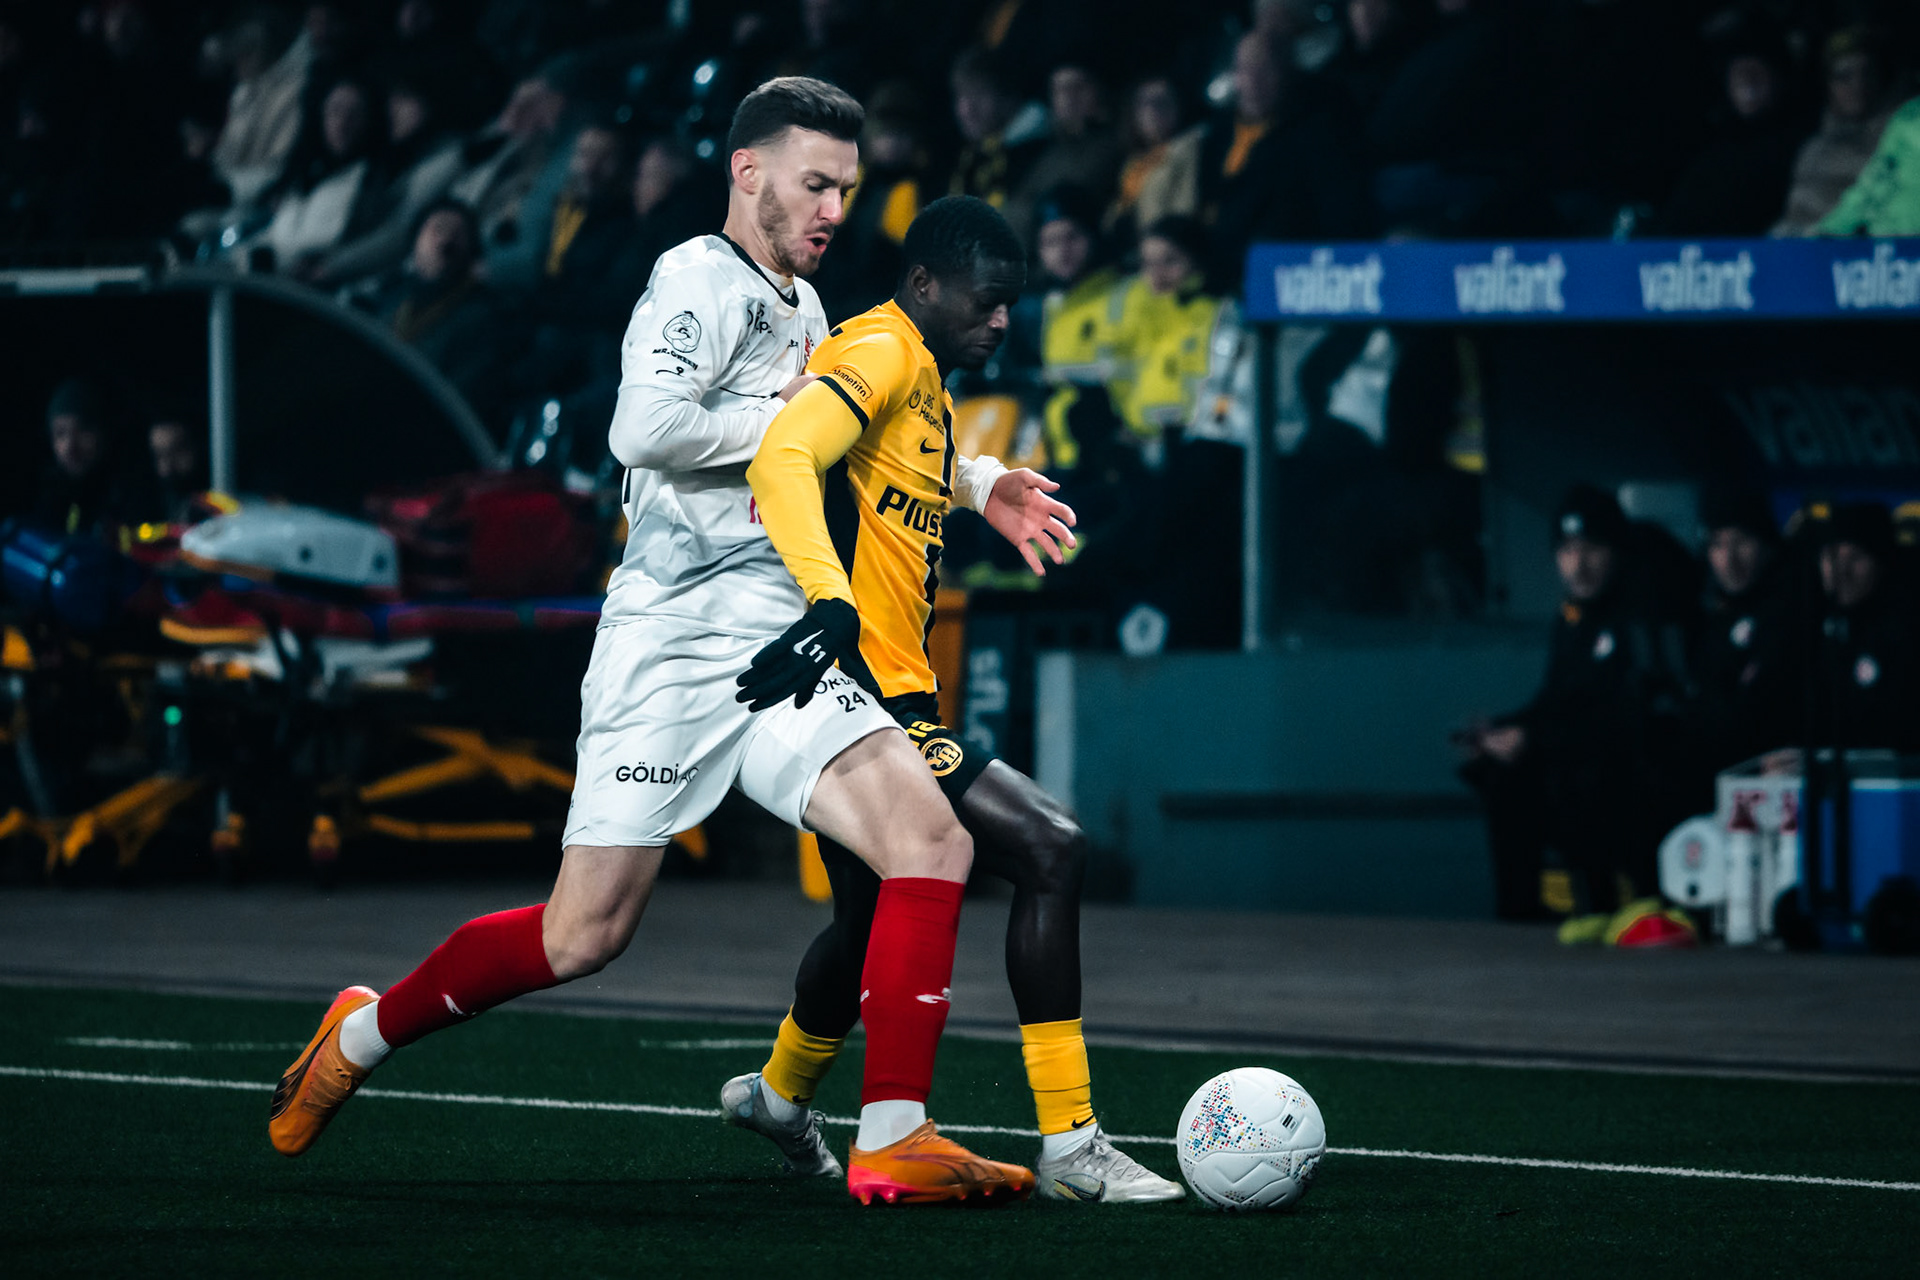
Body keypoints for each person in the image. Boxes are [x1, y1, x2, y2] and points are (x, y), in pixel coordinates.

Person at [267, 79, 1035, 1206]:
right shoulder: (694, 277)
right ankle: (360, 1034)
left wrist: (977, 481)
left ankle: (895, 1135)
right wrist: (783, 421)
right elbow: (643, 425)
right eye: (815, 184)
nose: (833, 209)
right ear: (748, 172)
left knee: (929, 841)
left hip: (777, 638)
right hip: (667, 644)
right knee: (582, 937)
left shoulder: (811, 310)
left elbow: (860, 436)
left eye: (845, 189)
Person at [726, 195, 1183, 1204]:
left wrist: (979, 487)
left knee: (866, 922)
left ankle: (779, 1092)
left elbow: (890, 461)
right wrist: (829, 601)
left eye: (1013, 304)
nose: (1003, 320)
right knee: (1050, 846)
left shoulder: (922, 377)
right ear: (925, 284)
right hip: (864, 698)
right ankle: (1072, 1143)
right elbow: (790, 450)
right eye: (988, 300)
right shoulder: (882, 350)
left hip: (884, 695)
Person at [1458, 487, 1697, 932]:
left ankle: (1610, 906)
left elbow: (1631, 714)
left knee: (1576, 773)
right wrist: (1504, 729)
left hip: (1632, 776)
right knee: (1500, 774)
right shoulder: (1574, 617)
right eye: (1567, 551)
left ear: (1617, 551)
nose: (1578, 565)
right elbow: (1555, 699)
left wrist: (1534, 738)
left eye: (1591, 550)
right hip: (1574, 761)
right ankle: (1518, 919)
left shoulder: (1644, 613)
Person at [1773, 26, 1899, 236]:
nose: (1858, 85)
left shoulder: (1898, 144)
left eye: (1867, 73)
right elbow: (1794, 216)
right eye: (1844, 76)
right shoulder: (1812, 148)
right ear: (1828, 85)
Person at [31, 378, 129, 537]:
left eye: (82, 431)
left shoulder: (127, 493)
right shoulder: (51, 495)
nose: (70, 447)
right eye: (60, 434)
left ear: (102, 433)